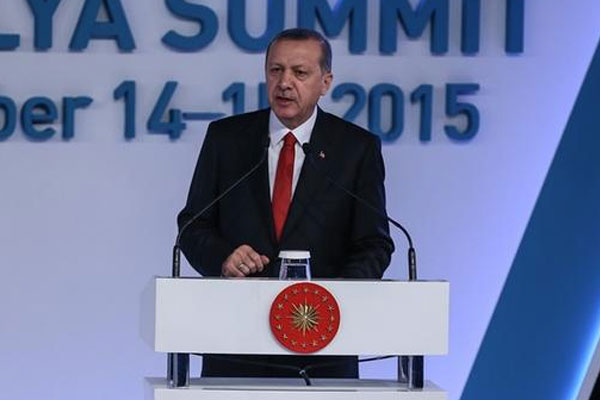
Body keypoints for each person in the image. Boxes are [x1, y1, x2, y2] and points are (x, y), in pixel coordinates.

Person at [177, 28, 394, 379]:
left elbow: (374, 244)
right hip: (236, 344)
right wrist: (223, 258)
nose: (284, 83)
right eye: (276, 70)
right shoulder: (226, 139)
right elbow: (192, 226)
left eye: (300, 72)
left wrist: (338, 296)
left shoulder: (356, 148)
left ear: (325, 82)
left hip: (322, 346)